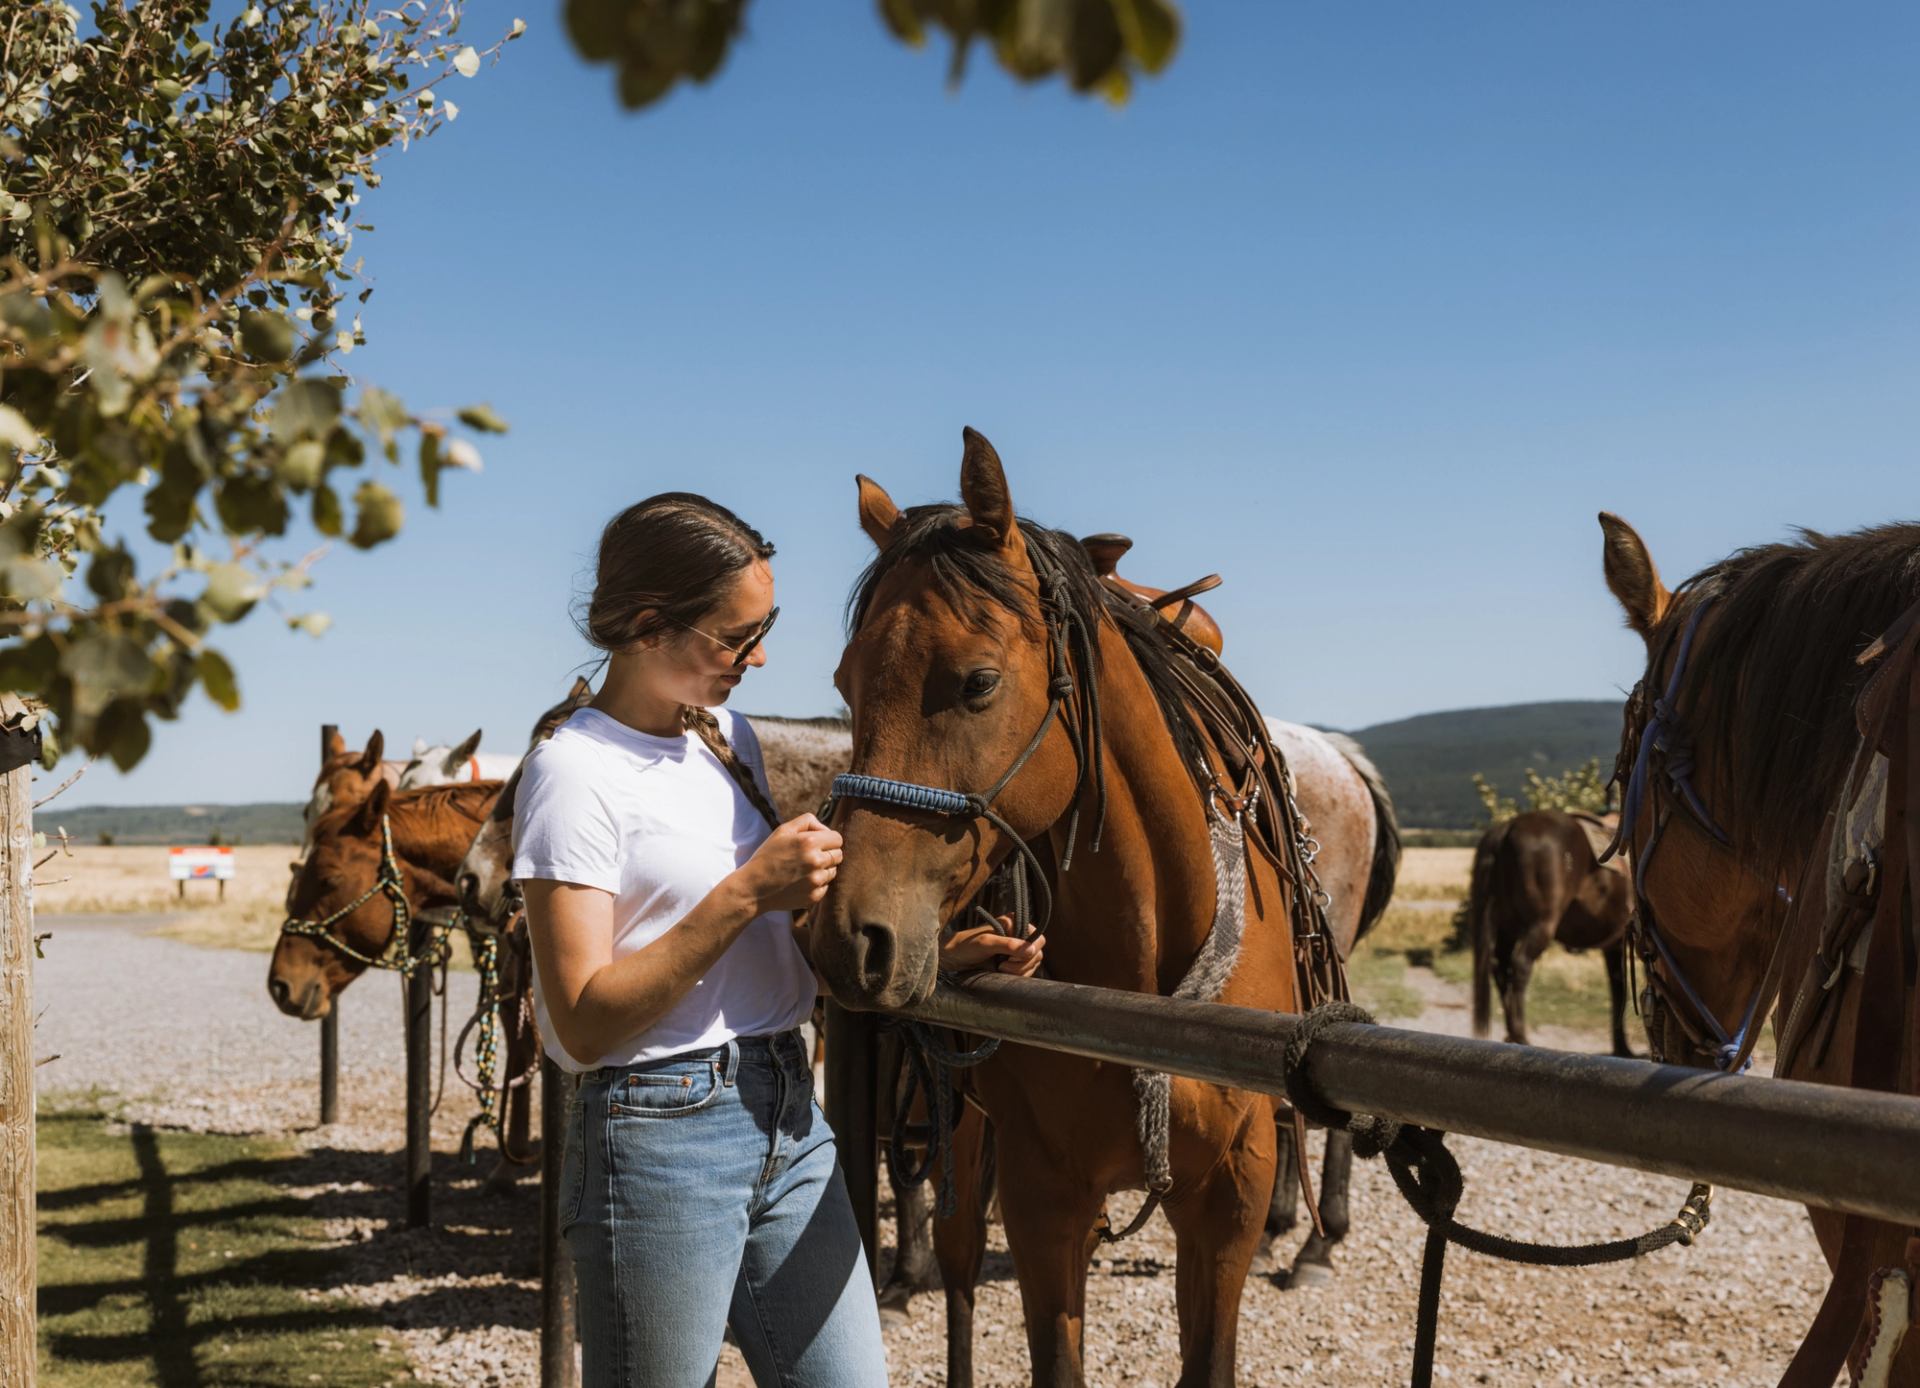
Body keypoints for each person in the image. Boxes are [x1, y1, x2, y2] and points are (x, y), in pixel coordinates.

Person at [513, 492, 1043, 1388]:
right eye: (734, 636)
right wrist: (746, 892)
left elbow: (765, 960)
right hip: (658, 1133)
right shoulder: (574, 772)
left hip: (791, 1115)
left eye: (768, 627)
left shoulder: (728, 741)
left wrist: (934, 961)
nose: (758, 656)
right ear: (649, 626)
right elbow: (583, 1023)